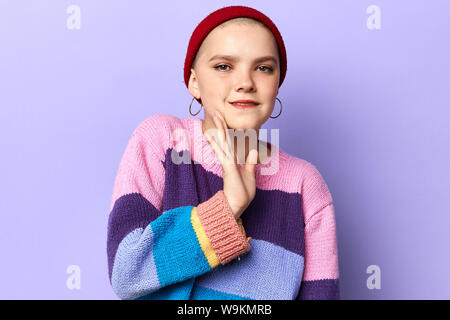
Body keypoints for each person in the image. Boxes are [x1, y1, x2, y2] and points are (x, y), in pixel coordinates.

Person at [107, 5, 340, 300]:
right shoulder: (161, 141)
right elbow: (126, 273)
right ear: (194, 82)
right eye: (223, 66)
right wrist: (227, 209)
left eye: (263, 68)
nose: (245, 83)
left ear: (276, 85)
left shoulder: (304, 184)